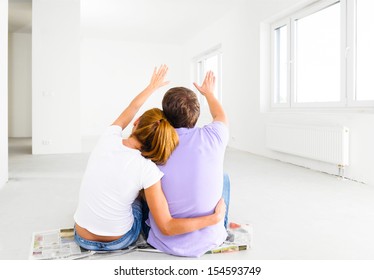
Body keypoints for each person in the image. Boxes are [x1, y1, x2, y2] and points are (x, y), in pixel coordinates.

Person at [73, 65, 226, 251]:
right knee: (222, 180)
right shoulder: (148, 169)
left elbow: (132, 107)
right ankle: (216, 227)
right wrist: (215, 218)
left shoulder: (107, 139)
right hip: (119, 240)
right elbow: (167, 226)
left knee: (132, 194)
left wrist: (151, 87)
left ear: (136, 122)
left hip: (81, 236)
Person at [146, 70, 230, 257]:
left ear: (165, 115)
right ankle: (216, 222)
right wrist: (208, 93)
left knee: (147, 183)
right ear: (197, 113)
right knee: (224, 178)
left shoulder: (155, 142)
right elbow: (220, 115)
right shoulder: (215, 136)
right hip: (211, 238)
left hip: (165, 240)